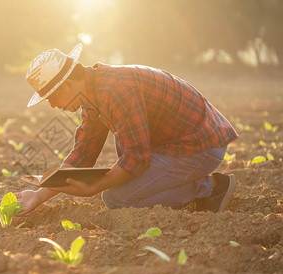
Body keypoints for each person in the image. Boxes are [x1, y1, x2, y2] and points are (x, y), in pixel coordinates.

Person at [15, 43, 238, 216]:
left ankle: (211, 188)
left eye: (52, 98)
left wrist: (95, 187)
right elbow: (84, 152)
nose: (54, 105)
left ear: (67, 85)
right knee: (120, 181)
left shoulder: (116, 89)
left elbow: (136, 159)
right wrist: (38, 195)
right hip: (171, 145)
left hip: (200, 145)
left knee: (117, 199)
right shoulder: (92, 93)